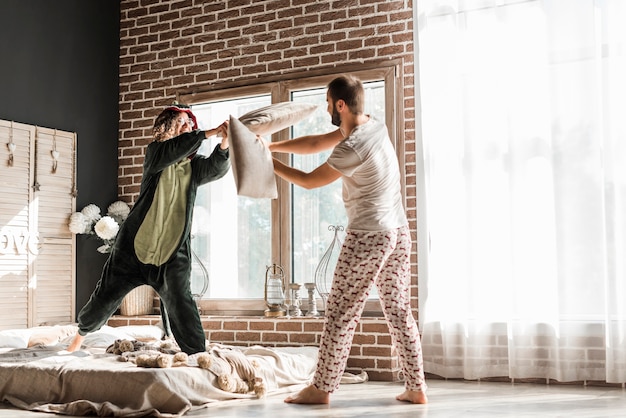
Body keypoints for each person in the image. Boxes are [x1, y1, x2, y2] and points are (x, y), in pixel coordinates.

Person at [269, 75, 428, 405]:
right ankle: (416, 387)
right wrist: (271, 146)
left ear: (340, 105)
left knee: (341, 311)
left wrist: (267, 164)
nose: (327, 107)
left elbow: (310, 181)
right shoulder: (372, 126)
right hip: (398, 231)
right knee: (399, 310)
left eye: (328, 102)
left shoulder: (354, 146)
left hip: (369, 236)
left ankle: (321, 388)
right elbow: (315, 143)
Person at [68, 104, 230, 355]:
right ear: (169, 127)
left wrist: (224, 145)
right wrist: (209, 133)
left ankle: (198, 355)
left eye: (191, 125)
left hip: (172, 252)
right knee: (104, 299)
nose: (189, 127)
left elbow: (215, 169)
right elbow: (174, 149)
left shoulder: (193, 167)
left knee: (182, 302)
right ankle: (77, 339)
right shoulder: (156, 153)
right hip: (132, 250)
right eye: (183, 123)